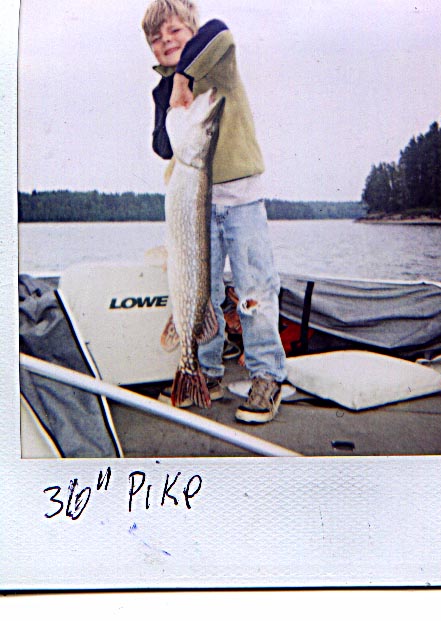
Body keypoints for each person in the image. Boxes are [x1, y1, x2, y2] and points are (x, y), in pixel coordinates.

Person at [142, 0, 287, 423]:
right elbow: (163, 146)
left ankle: (267, 376)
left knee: (254, 291)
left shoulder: (218, 64)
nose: (166, 41)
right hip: (195, 206)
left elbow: (220, 31)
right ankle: (203, 372)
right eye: (157, 38)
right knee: (200, 292)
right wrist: (171, 102)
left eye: (175, 31)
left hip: (241, 202)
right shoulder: (163, 90)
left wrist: (185, 77)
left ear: (191, 30)